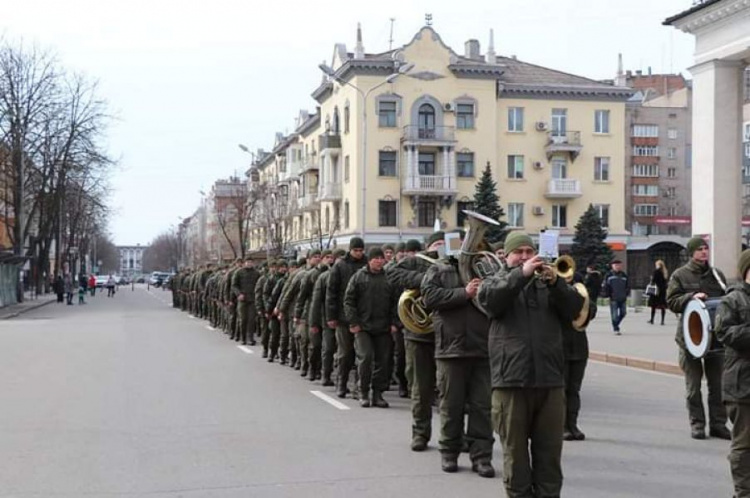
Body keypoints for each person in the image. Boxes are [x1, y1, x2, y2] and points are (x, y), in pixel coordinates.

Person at [478, 231, 585, 497]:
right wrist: (521, 275)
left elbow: (575, 309)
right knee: (516, 457)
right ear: (508, 256)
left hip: (549, 381)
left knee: (549, 456)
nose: (525, 257)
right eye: (519, 252)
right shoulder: (495, 279)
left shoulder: (549, 282)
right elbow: (491, 302)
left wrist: (556, 283)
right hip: (511, 382)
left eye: (529, 251)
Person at [421, 243, 495, 478]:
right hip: (451, 350)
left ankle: (481, 457)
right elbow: (429, 297)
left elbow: (500, 300)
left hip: (482, 349)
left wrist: (486, 290)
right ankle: (449, 452)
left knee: (482, 408)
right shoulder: (441, 269)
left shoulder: (488, 270)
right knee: (451, 406)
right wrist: (464, 293)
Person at [666, 236, 730, 440]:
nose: (704, 252)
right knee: (693, 387)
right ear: (692, 252)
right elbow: (671, 301)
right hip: (690, 338)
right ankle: (697, 424)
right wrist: (690, 297)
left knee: (717, 385)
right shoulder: (680, 275)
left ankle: (719, 424)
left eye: (706, 248)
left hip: (714, 339)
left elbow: (726, 299)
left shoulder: (716, 274)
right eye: (700, 249)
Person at [714, 248, 750, 497]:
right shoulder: (733, 300)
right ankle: (743, 492)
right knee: (744, 444)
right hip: (742, 384)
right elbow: (724, 332)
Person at [344, 247, 397, 408]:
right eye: (376, 259)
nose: (379, 261)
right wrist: (353, 322)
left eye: (382, 259)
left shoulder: (389, 278)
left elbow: (395, 303)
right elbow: (349, 301)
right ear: (370, 260)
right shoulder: (359, 277)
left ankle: (378, 394)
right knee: (365, 359)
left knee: (383, 361)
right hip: (363, 327)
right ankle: (363, 391)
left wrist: (395, 323)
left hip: (383, 327)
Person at [326, 237, 368, 399]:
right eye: (356, 250)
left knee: (362, 354)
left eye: (360, 250)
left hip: (363, 317)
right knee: (345, 353)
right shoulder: (340, 266)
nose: (358, 253)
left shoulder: (367, 264)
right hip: (343, 317)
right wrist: (331, 316)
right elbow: (331, 293)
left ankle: (359, 387)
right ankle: (341, 383)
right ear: (350, 250)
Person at [232, 256, 260, 346]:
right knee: (243, 319)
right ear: (245, 263)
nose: (249, 263)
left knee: (251, 320)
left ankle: (250, 338)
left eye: (251, 262)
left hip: (252, 299)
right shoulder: (239, 272)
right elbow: (234, 285)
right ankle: (243, 337)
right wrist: (238, 294)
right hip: (242, 299)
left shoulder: (256, 273)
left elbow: (259, 286)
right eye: (247, 262)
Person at [603, 260, 629, 335]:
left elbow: (627, 286)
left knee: (623, 313)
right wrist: (607, 295)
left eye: (619, 265)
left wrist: (626, 293)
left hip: (622, 297)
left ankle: (616, 324)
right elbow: (606, 287)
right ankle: (616, 328)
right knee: (614, 315)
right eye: (616, 265)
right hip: (613, 298)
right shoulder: (609, 275)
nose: (618, 267)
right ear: (612, 266)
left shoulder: (624, 275)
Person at [647, 260, 669, 325]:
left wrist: (651, 278)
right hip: (662, 291)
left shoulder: (656, 272)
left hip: (656, 291)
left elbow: (653, 280)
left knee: (653, 306)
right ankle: (662, 321)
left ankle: (652, 319)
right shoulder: (664, 272)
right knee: (662, 306)